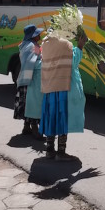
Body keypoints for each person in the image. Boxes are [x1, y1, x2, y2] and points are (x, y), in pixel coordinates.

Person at [39, 32, 75, 161]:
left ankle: (49, 150)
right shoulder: (66, 45)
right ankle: (61, 152)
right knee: (61, 118)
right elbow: (74, 62)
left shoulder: (45, 43)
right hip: (61, 88)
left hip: (49, 88)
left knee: (50, 117)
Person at [15, 24, 43, 138]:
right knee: (33, 105)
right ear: (33, 36)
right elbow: (34, 63)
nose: (40, 35)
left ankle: (26, 127)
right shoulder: (33, 46)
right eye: (38, 34)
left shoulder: (25, 45)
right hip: (32, 80)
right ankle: (35, 129)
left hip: (24, 78)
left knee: (26, 104)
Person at [67, 29, 87, 136]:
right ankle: (59, 149)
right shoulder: (63, 47)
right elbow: (73, 62)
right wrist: (79, 46)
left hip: (53, 87)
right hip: (65, 86)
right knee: (64, 117)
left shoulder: (52, 46)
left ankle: (53, 146)